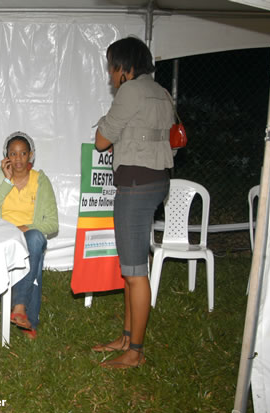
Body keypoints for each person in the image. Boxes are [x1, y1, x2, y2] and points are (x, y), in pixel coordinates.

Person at [92, 36, 174, 368]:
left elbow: (101, 141)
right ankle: (126, 337)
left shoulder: (130, 91)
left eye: (113, 67)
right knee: (131, 267)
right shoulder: (162, 92)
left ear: (125, 66)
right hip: (157, 181)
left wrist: (105, 125)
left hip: (135, 185)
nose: (111, 75)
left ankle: (135, 351)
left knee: (136, 271)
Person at [0, 131, 58, 340]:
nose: (18, 159)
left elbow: (52, 224)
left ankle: (19, 307)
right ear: (6, 156)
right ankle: (29, 321)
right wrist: (7, 182)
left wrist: (24, 228)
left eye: (23, 154)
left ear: (31, 155)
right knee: (35, 252)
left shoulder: (40, 181)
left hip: (28, 236)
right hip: (1, 236)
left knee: (34, 242)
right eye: (13, 154)